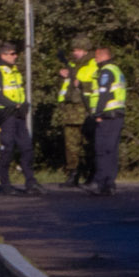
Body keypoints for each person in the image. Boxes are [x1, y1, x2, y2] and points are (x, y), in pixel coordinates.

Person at [0, 42, 43, 195]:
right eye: (12, 54)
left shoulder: (14, 70)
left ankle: (30, 182)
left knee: (26, 147)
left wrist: (24, 104)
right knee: (8, 148)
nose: (15, 56)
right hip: (6, 115)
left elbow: (18, 90)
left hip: (18, 114)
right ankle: (5, 184)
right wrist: (14, 105)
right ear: (3, 55)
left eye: (15, 53)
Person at [52, 38, 96, 187]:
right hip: (70, 111)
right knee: (70, 145)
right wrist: (63, 76)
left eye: (77, 50)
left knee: (88, 144)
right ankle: (73, 173)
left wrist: (81, 83)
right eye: (73, 50)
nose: (74, 53)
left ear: (85, 50)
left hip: (85, 110)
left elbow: (98, 85)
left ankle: (92, 173)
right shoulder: (71, 65)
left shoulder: (93, 64)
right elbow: (64, 88)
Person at [87, 42, 128, 195]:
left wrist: (97, 113)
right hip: (116, 115)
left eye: (97, 57)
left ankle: (101, 183)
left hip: (107, 116)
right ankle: (109, 183)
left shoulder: (105, 72)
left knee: (102, 149)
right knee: (111, 150)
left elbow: (104, 94)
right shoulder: (117, 70)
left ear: (104, 56)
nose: (95, 60)